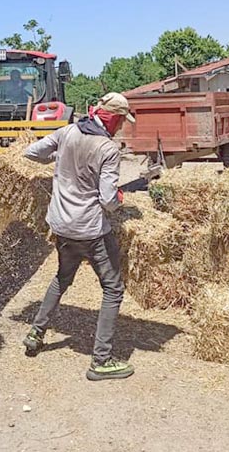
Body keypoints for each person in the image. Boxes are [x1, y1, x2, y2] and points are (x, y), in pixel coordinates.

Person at [21, 92, 136, 381]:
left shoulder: (67, 131)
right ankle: (101, 360)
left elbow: (31, 153)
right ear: (112, 117)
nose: (122, 126)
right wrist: (121, 197)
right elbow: (109, 199)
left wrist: (60, 165)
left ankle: (36, 333)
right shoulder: (107, 148)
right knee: (113, 289)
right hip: (89, 230)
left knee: (62, 278)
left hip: (60, 224)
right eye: (122, 120)